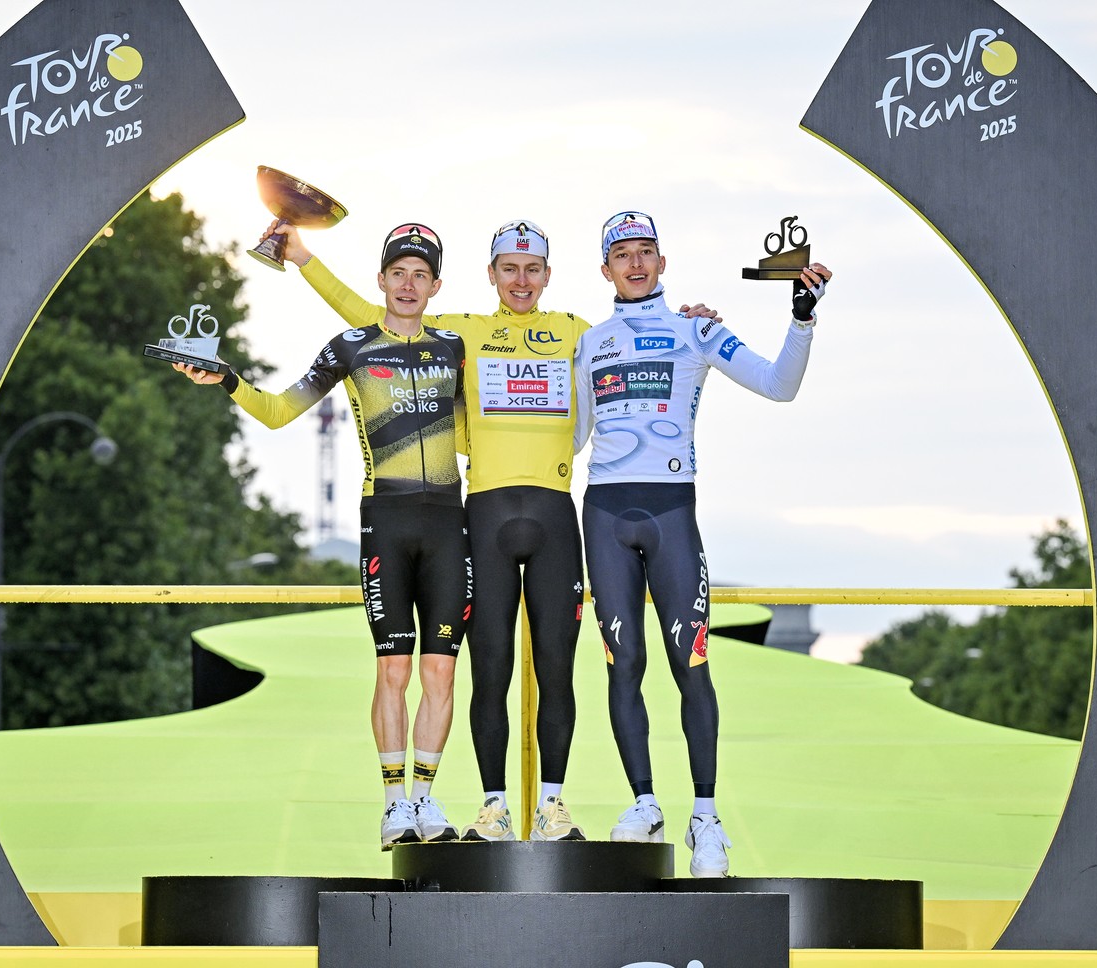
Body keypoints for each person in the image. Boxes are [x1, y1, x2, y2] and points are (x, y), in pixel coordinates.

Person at [265, 217, 722, 843]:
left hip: (556, 515)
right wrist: (303, 258)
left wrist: (693, 322)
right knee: (491, 669)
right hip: (483, 515)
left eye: (532, 269)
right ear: (491, 275)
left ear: (549, 275)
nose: (521, 280)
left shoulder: (578, 332)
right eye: (510, 269)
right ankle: (494, 806)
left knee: (557, 670)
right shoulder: (464, 334)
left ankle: (552, 805)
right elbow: (377, 316)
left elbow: (642, 338)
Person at [176, 223, 471, 850]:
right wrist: (226, 379)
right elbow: (281, 411)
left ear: (436, 286)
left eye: (421, 275)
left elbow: (490, 419)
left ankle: (424, 797)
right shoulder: (351, 346)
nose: (409, 285)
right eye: (399, 273)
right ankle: (393, 805)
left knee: (441, 673)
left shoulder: (455, 347)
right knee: (393, 668)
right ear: (381, 280)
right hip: (385, 520)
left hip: (450, 522)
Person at [572, 210, 831, 877]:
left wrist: (801, 318)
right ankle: (645, 803)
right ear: (605, 269)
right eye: (622, 254)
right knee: (622, 665)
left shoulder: (697, 329)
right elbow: (568, 438)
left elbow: (779, 385)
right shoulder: (590, 343)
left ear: (662, 263)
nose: (635, 264)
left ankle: (706, 819)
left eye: (645, 252)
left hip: (671, 513)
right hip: (603, 514)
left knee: (691, 664)